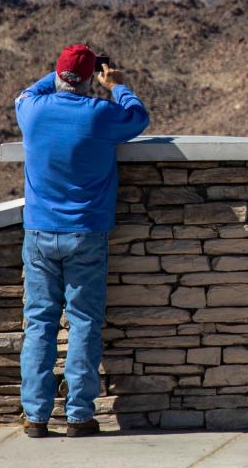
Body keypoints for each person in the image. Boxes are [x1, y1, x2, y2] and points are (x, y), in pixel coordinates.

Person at [14, 44, 150, 437]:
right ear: (91, 80)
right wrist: (117, 85)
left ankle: (36, 416)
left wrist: (60, 75)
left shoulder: (33, 111)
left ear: (57, 76)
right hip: (86, 232)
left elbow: (28, 92)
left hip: (39, 231)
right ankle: (78, 416)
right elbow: (138, 117)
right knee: (84, 322)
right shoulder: (100, 114)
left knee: (39, 323)